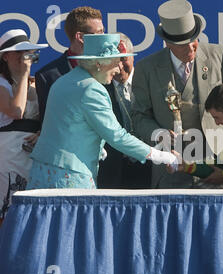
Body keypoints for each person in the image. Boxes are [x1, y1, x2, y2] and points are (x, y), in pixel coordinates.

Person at [26, 34, 178, 190]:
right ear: (98, 63)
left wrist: (98, 148)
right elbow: (117, 136)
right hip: (70, 175)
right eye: (115, 61)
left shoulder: (64, 81)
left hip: (42, 172)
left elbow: (70, 126)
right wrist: (159, 155)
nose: (119, 68)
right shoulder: (91, 89)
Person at [131, 0, 223, 189]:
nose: (190, 49)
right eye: (182, 45)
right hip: (171, 165)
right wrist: (159, 134)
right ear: (167, 43)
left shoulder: (218, 55)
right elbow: (139, 116)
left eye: (193, 42)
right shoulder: (146, 69)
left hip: (214, 162)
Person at [0, 29, 48, 220]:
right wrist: (23, 74)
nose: (24, 57)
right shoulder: (2, 83)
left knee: (30, 210)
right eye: (18, 52)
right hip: (9, 154)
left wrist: (41, 131)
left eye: (27, 52)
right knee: (8, 207)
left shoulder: (34, 83)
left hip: (33, 154)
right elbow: (16, 111)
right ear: (5, 57)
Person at [97, 33, 152, 189]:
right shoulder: (98, 88)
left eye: (123, 59)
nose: (119, 66)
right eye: (114, 60)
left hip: (148, 164)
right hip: (112, 169)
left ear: (133, 57)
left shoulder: (149, 82)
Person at [35, 6, 104, 124]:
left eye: (103, 31)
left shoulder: (109, 67)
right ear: (80, 37)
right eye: (99, 32)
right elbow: (48, 123)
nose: (104, 37)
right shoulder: (47, 76)